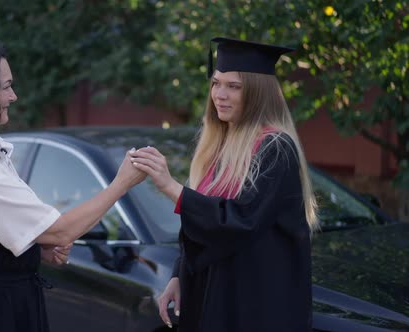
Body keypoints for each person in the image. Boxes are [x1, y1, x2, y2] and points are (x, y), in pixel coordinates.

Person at [0, 38, 146, 332]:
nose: (14, 96)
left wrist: (32, 250)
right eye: (7, 86)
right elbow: (60, 231)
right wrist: (122, 183)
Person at [129, 37, 320, 331]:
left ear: (258, 93)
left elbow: (240, 221)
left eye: (234, 86)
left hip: (252, 305)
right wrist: (179, 275)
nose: (220, 94)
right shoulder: (219, 147)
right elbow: (201, 226)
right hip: (213, 295)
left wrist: (170, 187)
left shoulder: (275, 148)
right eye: (216, 83)